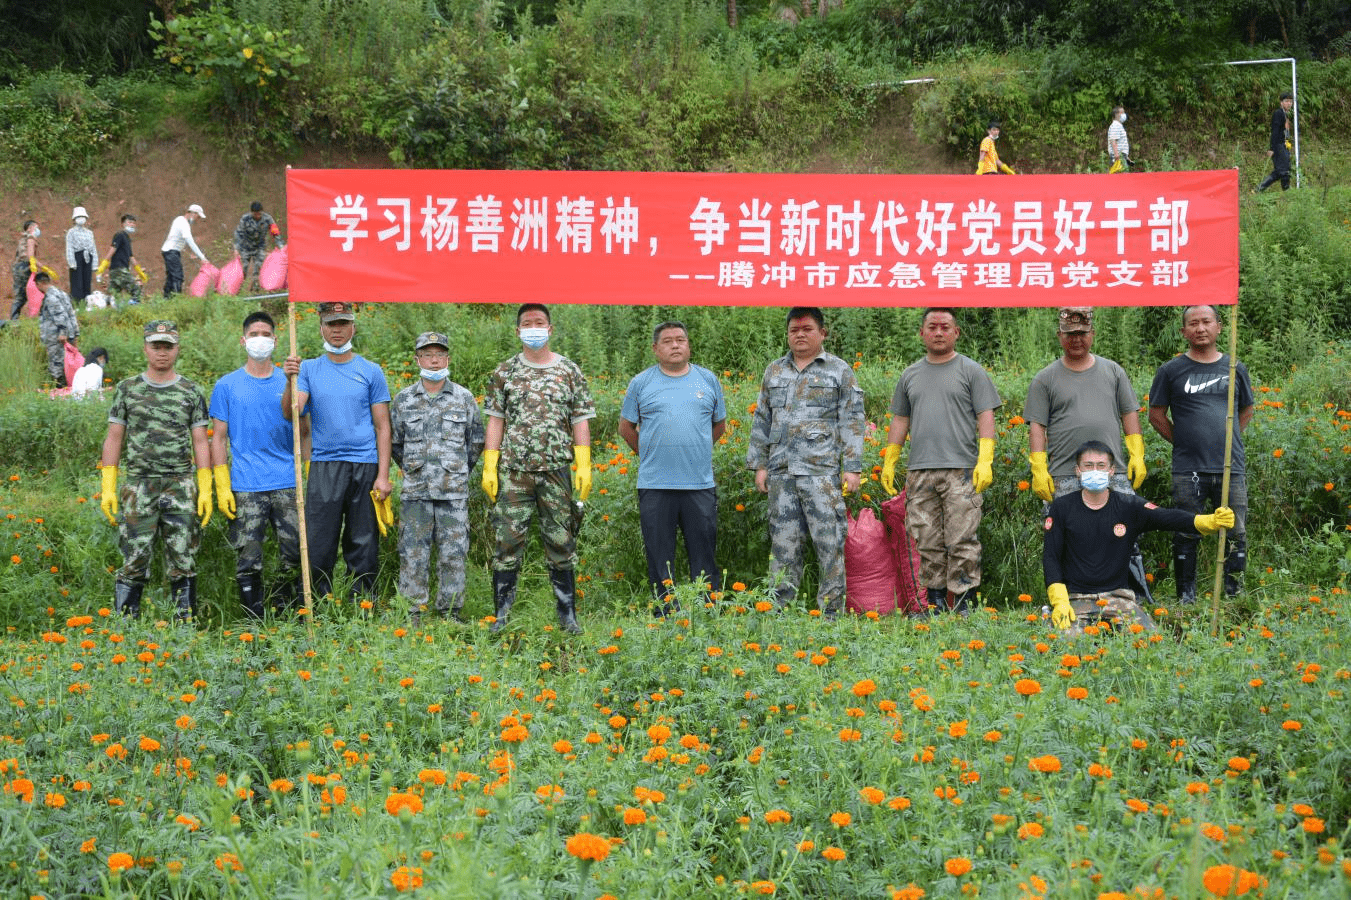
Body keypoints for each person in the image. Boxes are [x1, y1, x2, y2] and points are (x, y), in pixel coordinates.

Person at [1024, 307, 1153, 602]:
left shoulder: (1113, 371)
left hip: (1113, 472)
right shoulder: (1045, 379)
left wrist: (1136, 454)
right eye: (1070, 334)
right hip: (1065, 475)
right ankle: (1070, 595)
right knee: (1065, 537)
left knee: (1126, 532)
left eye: (1082, 333)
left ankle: (1131, 594)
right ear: (1060, 337)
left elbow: (1129, 414)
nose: (1077, 339)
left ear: (1092, 335)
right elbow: (1036, 426)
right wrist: (1038, 468)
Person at [481, 303, 595, 634]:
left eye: (539, 322)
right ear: (517, 331)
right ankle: (500, 616)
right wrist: (491, 464)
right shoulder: (505, 372)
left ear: (550, 329)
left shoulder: (569, 371)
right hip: (514, 472)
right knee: (507, 544)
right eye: (527, 323)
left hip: (556, 470)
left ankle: (567, 617)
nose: (533, 328)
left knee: (562, 543)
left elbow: (580, 420)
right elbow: (495, 421)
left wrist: (583, 463)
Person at [1043, 440, 1233, 635]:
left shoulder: (1128, 506)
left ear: (1111, 470)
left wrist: (1206, 522)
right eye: (1088, 466)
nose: (1095, 471)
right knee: (1065, 647)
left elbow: (1166, 517)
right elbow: (1051, 556)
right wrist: (1059, 601)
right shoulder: (1061, 508)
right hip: (1075, 599)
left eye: (1101, 466)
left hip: (1119, 598)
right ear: (1077, 470)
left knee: (1151, 642)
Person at [746, 307, 865, 619]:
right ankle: (778, 610)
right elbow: (762, 417)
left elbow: (852, 419)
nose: (799, 334)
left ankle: (830, 613)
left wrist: (852, 468)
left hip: (821, 474)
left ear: (822, 333)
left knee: (829, 544)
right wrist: (759, 464)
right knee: (784, 546)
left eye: (807, 329)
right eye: (793, 330)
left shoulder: (839, 371)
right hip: (781, 473)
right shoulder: (774, 371)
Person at [881, 308, 1001, 614]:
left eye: (945, 327)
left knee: (962, 539)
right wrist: (891, 458)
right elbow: (901, 419)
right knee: (927, 541)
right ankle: (934, 603)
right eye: (931, 327)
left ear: (956, 333)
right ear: (921, 333)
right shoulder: (910, 374)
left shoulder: (971, 370)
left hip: (961, 470)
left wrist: (985, 459)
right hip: (920, 471)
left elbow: (986, 416)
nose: (938, 332)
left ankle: (964, 604)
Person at [99, 320, 213, 620]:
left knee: (183, 557)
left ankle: (184, 625)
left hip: (181, 485)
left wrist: (206, 487)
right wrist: (109, 486)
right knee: (134, 557)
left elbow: (200, 441)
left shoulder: (190, 391)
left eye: (168, 346)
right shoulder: (127, 390)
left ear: (177, 348)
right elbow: (114, 438)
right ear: (145, 348)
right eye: (156, 346)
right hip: (139, 487)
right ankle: (126, 627)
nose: (162, 352)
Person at [282, 301, 392, 603]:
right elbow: (294, 412)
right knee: (319, 541)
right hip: (324, 464)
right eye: (331, 324)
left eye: (343, 323)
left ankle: (363, 604)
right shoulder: (308, 369)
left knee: (363, 540)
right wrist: (288, 379)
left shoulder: (371, 371)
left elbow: (383, 426)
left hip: (364, 464)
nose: (337, 329)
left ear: (353, 327)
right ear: (321, 327)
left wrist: (383, 476)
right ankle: (319, 602)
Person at [618, 321, 727, 616]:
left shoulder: (708, 380)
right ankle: (665, 613)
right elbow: (626, 427)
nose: (676, 345)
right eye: (668, 341)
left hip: (699, 484)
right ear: (655, 349)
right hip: (655, 485)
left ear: (689, 345)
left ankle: (707, 611)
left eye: (681, 339)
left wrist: (698, 448)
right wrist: (649, 451)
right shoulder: (641, 383)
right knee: (659, 555)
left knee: (703, 553)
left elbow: (719, 425)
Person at [1148, 304, 1254, 603]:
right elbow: (1155, 415)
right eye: (1193, 323)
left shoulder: (1235, 367)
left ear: (1219, 326)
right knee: (1186, 530)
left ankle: (1234, 596)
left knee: (1236, 530)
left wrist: (1228, 439)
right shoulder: (1171, 370)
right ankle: (1186, 597)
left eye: (1206, 322)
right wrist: (1182, 441)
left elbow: (1246, 409)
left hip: (1230, 466)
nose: (1200, 328)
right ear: (1184, 331)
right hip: (1187, 468)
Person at [210, 311, 310, 618]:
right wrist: (221, 483)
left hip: (286, 482)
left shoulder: (291, 381)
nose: (260, 339)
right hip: (245, 486)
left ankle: (285, 610)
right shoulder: (227, 386)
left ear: (276, 340)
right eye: (254, 334)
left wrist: (306, 474)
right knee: (247, 555)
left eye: (266, 334)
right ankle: (253, 619)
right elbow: (218, 438)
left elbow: (304, 430)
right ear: (243, 341)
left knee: (294, 553)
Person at [390, 331, 485, 623]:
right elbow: (395, 444)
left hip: (453, 492)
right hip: (416, 492)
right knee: (413, 554)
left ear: (448, 358)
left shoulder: (464, 398)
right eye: (427, 354)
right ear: (418, 359)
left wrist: (456, 469)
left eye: (439, 354)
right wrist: (414, 467)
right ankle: (412, 614)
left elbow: (476, 441)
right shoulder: (404, 399)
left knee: (454, 555)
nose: (434, 360)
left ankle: (450, 613)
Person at [35, 271, 78, 388]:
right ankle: (68, 387)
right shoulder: (62, 294)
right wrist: (75, 334)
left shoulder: (50, 297)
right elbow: (71, 314)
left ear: (40, 283)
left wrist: (63, 333)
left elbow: (60, 315)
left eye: (37, 285)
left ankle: (59, 390)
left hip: (56, 338)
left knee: (56, 365)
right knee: (67, 363)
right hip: (67, 334)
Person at [233, 201, 283, 293]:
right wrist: (236, 248)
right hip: (246, 247)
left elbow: (275, 232)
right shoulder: (245, 219)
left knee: (258, 268)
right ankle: (238, 290)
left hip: (260, 247)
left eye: (259, 213)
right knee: (243, 268)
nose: (258, 216)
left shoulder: (267, 218)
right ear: (252, 213)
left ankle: (256, 291)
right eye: (255, 214)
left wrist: (281, 246)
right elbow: (239, 233)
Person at [161, 204, 209, 298]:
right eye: (198, 217)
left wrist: (191, 253)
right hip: (171, 252)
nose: (197, 219)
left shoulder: (179, 219)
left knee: (171, 277)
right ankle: (176, 300)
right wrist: (202, 257)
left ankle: (166, 299)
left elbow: (178, 239)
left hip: (169, 251)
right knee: (178, 276)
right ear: (193, 213)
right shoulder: (184, 224)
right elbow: (190, 241)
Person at [97, 215, 146, 306]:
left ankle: (115, 311)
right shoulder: (120, 235)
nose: (132, 225)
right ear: (123, 224)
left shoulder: (127, 238)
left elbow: (131, 257)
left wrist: (139, 271)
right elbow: (113, 249)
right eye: (129, 222)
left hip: (118, 270)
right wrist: (104, 264)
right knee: (136, 290)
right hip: (119, 269)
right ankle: (133, 309)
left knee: (115, 296)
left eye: (133, 223)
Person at [10, 219, 51, 321]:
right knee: (23, 295)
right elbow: (30, 257)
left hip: (21, 268)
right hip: (23, 268)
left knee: (26, 295)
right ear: (29, 228)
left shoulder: (25, 238)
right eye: (35, 227)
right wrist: (43, 267)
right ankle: (15, 320)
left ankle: (18, 319)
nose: (38, 230)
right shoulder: (30, 238)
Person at [1256, 92, 1294, 193]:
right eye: (1286, 101)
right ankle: (1285, 191)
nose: (1289, 104)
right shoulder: (1278, 113)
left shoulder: (1285, 114)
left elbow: (1285, 132)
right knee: (1283, 170)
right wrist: (1272, 148)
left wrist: (1289, 144)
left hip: (1284, 145)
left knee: (1282, 170)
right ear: (1281, 103)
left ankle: (1260, 189)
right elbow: (1275, 131)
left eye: (1291, 102)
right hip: (1278, 146)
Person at [65, 206, 98, 304]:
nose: (81, 218)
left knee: (87, 281)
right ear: (74, 219)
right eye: (78, 217)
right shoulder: (71, 232)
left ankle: (87, 302)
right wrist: (72, 262)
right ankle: (77, 303)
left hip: (88, 257)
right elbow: (69, 247)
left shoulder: (89, 233)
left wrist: (95, 263)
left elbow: (93, 248)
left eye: (83, 216)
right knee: (77, 281)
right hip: (77, 257)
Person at [1108, 106, 1130, 173]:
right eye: (1122, 112)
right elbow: (1113, 140)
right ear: (1117, 114)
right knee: (1121, 178)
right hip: (1119, 157)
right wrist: (1116, 154)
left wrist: (1126, 156)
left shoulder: (1119, 125)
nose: (1124, 114)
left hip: (1122, 156)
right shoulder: (1115, 125)